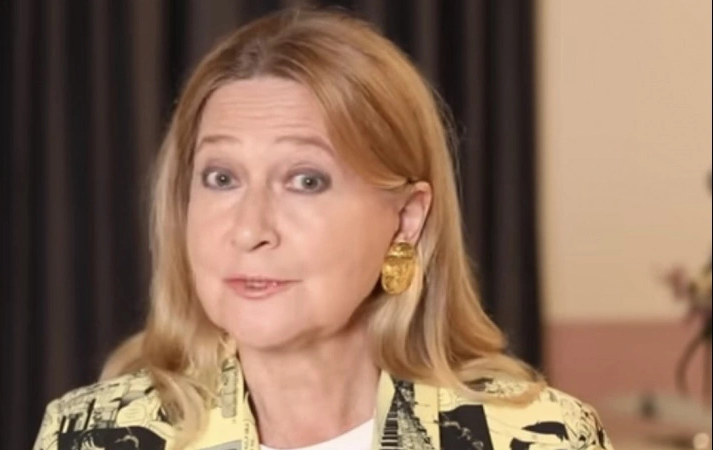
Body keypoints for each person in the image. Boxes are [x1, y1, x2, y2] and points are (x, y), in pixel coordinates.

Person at [33, 8, 612, 450]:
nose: (250, 230)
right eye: (221, 178)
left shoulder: (539, 438)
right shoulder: (92, 435)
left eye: (305, 180)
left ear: (406, 217)